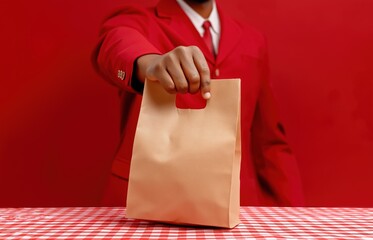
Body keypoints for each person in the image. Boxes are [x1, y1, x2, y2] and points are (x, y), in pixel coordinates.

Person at [92, 0, 304, 206]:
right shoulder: (137, 21)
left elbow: (269, 142)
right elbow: (115, 43)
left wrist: (294, 214)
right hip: (148, 201)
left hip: (237, 203)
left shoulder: (253, 39)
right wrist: (151, 62)